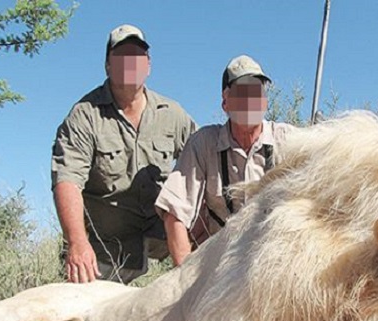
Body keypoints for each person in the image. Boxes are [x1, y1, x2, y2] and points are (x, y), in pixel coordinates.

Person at [51, 25, 195, 284]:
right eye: (122, 56)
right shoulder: (84, 114)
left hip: (160, 234)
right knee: (87, 315)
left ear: (148, 65)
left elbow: (202, 160)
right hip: (105, 243)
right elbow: (67, 180)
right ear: (107, 65)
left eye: (137, 56)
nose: (131, 62)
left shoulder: (173, 114)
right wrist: (77, 243)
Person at [155, 55, 294, 266]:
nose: (250, 101)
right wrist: (183, 280)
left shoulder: (288, 141)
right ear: (225, 103)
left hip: (276, 262)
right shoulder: (203, 144)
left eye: (256, 92)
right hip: (221, 266)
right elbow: (175, 211)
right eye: (241, 93)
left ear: (265, 101)